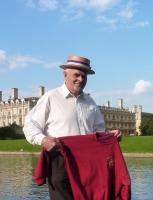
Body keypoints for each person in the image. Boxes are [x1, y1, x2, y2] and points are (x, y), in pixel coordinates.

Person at [23, 55, 121, 199]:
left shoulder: (90, 102)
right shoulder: (51, 97)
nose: (81, 79)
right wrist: (43, 140)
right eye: (77, 75)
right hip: (60, 160)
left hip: (88, 163)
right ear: (65, 75)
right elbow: (30, 125)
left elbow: (98, 132)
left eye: (84, 76)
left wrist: (109, 136)